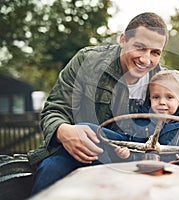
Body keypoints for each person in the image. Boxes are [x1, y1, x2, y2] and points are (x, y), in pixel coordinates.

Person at [28, 12, 168, 195]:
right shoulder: (86, 62)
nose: (145, 59)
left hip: (134, 160)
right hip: (81, 153)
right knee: (51, 170)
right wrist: (63, 130)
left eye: (155, 52)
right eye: (140, 47)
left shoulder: (166, 81)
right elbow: (55, 108)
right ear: (123, 40)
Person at [92, 70, 179, 168]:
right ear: (150, 98)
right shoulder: (142, 121)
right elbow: (135, 147)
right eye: (156, 97)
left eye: (169, 97)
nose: (161, 102)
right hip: (145, 169)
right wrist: (127, 155)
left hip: (176, 172)